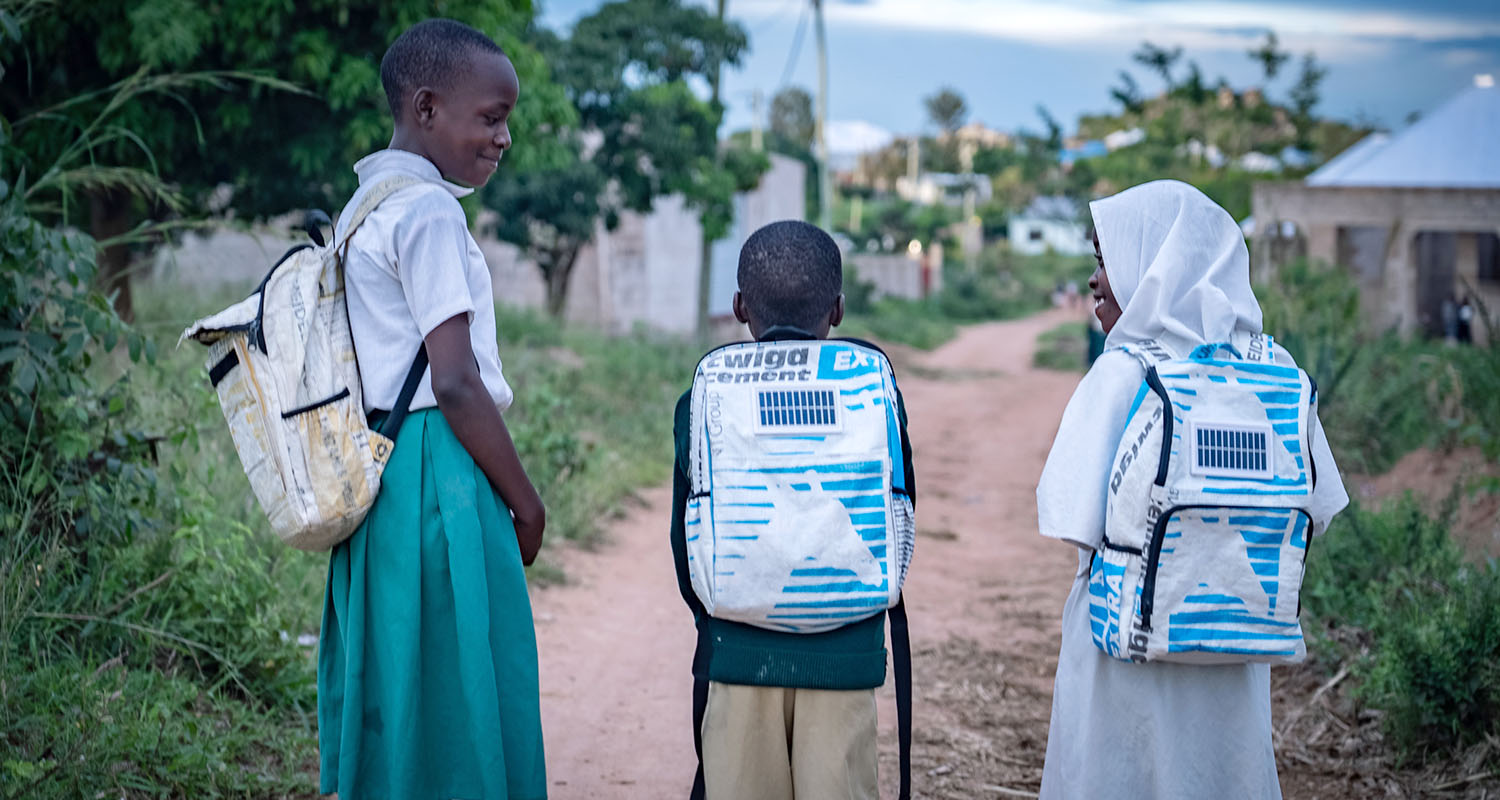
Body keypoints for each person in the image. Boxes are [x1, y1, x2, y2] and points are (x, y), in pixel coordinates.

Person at [1035, 180, 1348, 799]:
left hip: (1125, 649)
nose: (1096, 280)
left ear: (1154, 263)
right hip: (1233, 646)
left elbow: (1069, 515)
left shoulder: (1125, 373)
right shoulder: (1275, 369)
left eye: (1106, 258)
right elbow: (1320, 509)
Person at [318, 19, 548, 800]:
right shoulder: (428, 214)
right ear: (425, 107)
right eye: (490, 117)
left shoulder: (359, 211)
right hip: (436, 471)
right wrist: (527, 502)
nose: (504, 137)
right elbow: (453, 382)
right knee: (465, 675)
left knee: (398, 675)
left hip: (375, 470)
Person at [669, 220, 915, 800]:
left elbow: (686, 543)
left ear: (737, 306)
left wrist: (717, 617)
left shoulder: (705, 395)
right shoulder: (874, 388)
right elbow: (897, 515)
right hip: (848, 654)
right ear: (838, 309)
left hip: (737, 650)